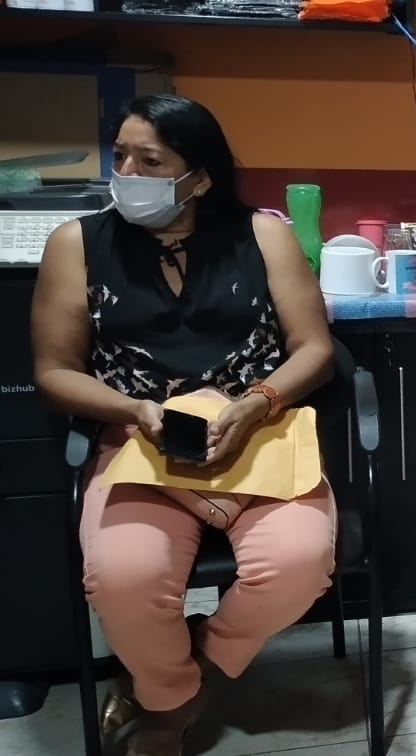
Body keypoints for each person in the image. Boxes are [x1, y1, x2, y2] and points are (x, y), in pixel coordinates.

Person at [30, 94, 337, 756]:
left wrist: (256, 403)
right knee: (123, 579)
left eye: (150, 161)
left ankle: (193, 673)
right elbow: (54, 372)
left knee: (299, 565)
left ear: (199, 178)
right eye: (120, 156)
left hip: (258, 433)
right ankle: (170, 701)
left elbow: (314, 347)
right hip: (140, 441)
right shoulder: (77, 244)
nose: (127, 174)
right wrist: (133, 410)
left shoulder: (264, 235)